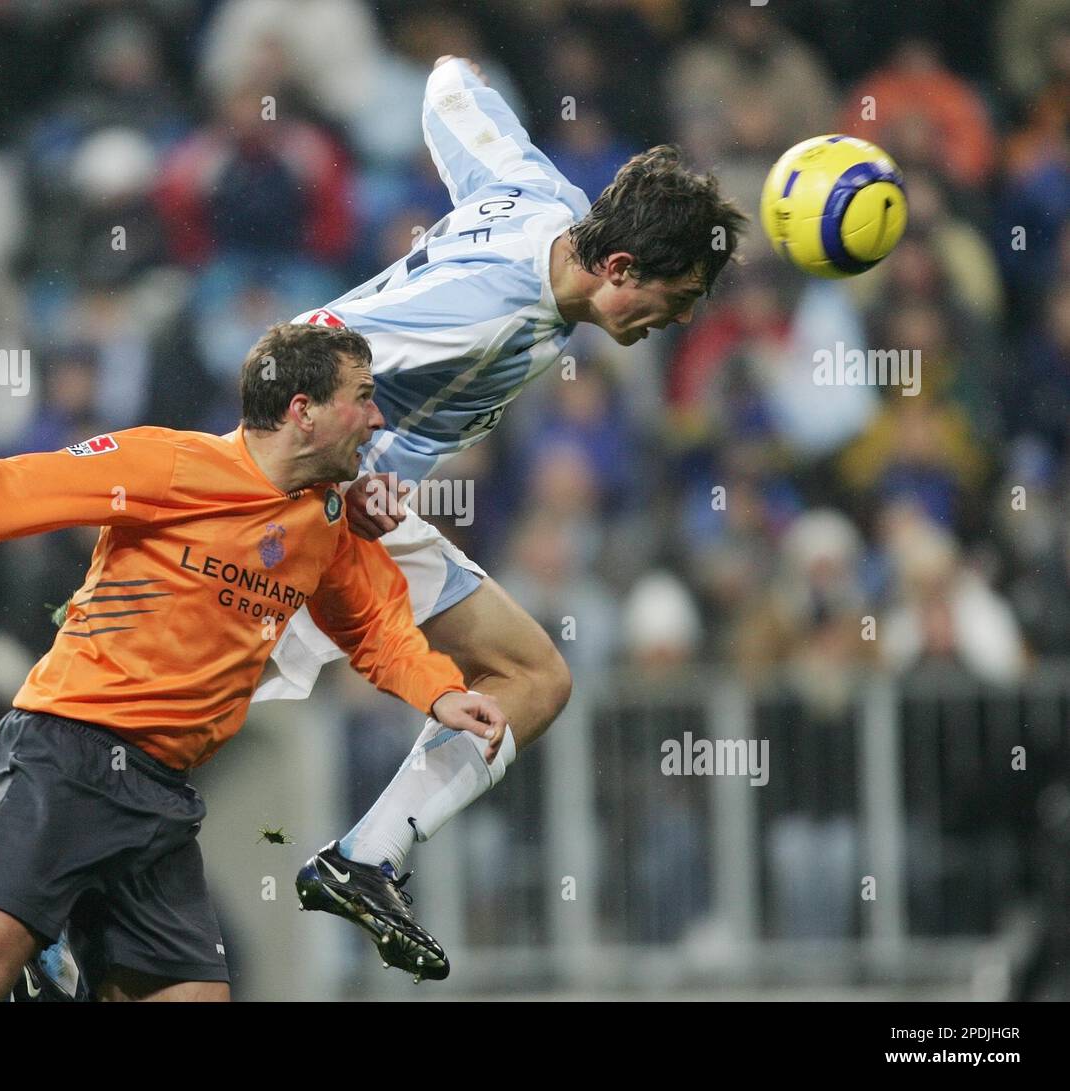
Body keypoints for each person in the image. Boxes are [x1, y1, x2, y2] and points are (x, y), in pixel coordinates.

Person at [0, 323, 507, 1000]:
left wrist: (440, 693)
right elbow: (24, 487)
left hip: (161, 795)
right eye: (362, 397)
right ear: (303, 411)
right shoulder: (171, 464)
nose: (377, 416)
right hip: (67, 757)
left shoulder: (326, 518)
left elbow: (374, 625)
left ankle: (56, 967)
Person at [261, 56, 746, 975]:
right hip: (297, 509)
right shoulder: (490, 311)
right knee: (168, 723)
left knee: (532, 676)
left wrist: (455, 62)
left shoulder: (540, 193)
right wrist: (351, 468)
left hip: (352, 512)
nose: (676, 323)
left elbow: (449, 88)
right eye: (674, 301)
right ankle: (48, 901)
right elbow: (302, 352)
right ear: (619, 266)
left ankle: (364, 858)